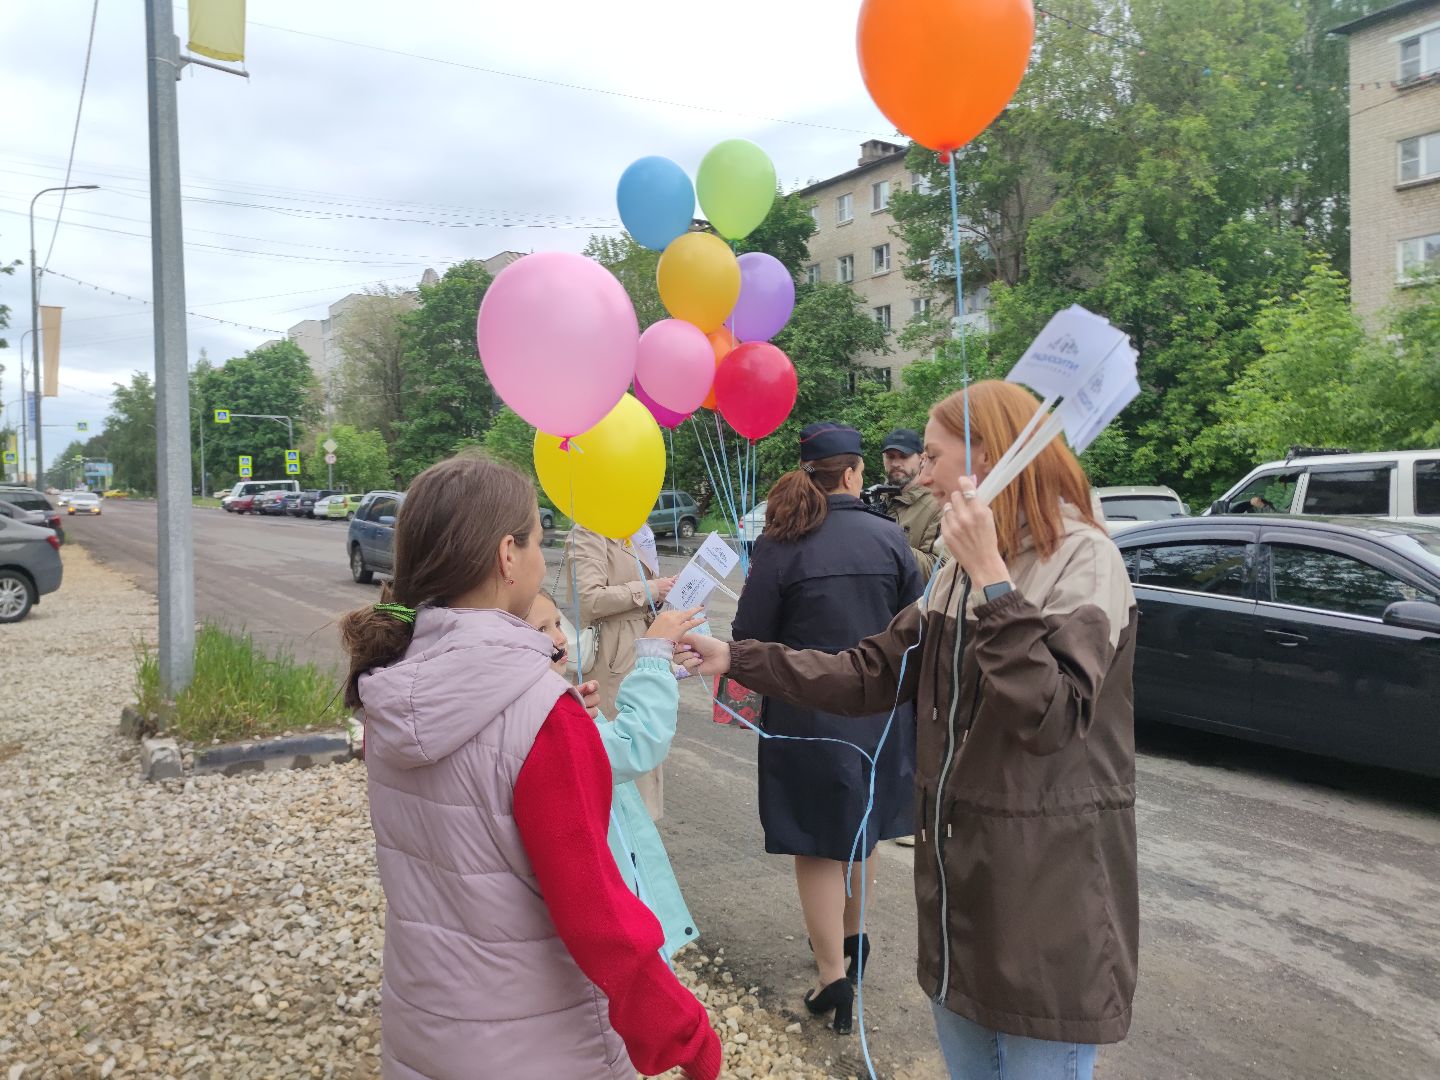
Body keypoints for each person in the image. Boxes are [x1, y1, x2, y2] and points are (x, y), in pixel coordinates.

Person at [683, 382, 1138, 1080]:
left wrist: (992, 577)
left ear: (988, 458)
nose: (918, 474)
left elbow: (1051, 717)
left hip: (1048, 899)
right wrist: (738, 657)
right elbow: (869, 671)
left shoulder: (1082, 560)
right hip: (960, 897)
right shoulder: (952, 572)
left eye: (932, 455)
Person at [340, 454, 720, 1080]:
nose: (545, 558)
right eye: (540, 541)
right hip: (542, 1041)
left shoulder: (392, 687)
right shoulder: (540, 713)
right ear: (506, 556)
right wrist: (683, 1031)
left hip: (428, 1024)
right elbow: (595, 908)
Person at [730, 421, 922, 1036]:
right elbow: (919, 631)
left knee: (817, 843)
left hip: (804, 714)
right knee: (859, 831)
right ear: (853, 473)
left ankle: (831, 976)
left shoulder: (780, 544)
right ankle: (853, 942)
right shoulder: (891, 539)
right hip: (878, 715)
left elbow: (746, 637)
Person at [526, 589, 704, 960]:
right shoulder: (540, 717)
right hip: (606, 905)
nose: (559, 637)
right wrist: (654, 657)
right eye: (542, 628)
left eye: (558, 622)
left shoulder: (534, 703)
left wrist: (665, 673)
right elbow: (636, 742)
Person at [565, 524, 676, 820]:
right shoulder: (589, 530)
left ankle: (643, 829)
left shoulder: (637, 531)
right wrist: (651, 589)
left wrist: (665, 594)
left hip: (641, 644)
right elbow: (587, 599)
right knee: (619, 742)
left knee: (647, 729)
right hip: (610, 656)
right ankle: (620, 831)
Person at [880, 427, 946, 577]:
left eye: (904, 456)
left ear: (922, 459)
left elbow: (938, 570)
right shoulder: (877, 499)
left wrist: (886, 541)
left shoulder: (938, 504)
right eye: (890, 457)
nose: (896, 463)